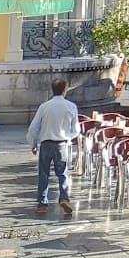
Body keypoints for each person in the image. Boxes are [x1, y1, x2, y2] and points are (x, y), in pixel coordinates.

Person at [26, 78, 78, 215]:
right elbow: (76, 129)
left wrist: (33, 143)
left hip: (46, 143)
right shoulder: (71, 107)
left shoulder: (44, 106)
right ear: (65, 90)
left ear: (52, 90)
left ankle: (42, 203)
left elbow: (34, 127)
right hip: (62, 144)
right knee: (62, 173)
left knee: (43, 173)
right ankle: (64, 197)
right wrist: (68, 137)